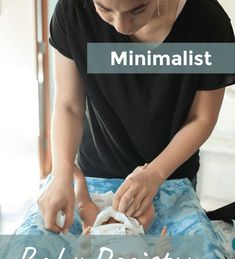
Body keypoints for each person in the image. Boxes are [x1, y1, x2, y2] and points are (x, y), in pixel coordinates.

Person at [37, 0, 235, 234]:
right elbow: (68, 105)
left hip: (171, 177)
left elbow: (202, 117)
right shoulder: (72, 10)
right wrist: (61, 175)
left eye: (138, 9)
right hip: (95, 173)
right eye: (104, 9)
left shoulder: (211, 24)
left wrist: (156, 173)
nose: (121, 26)